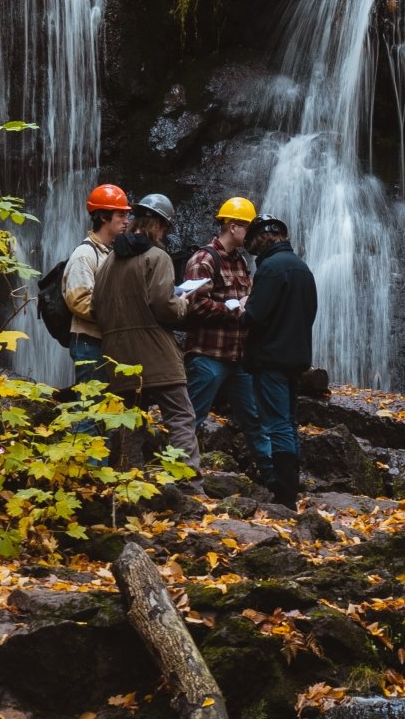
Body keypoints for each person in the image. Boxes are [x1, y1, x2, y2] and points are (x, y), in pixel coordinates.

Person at [91, 193, 202, 485]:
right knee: (179, 415)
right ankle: (188, 484)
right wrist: (184, 302)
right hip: (155, 352)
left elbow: (97, 307)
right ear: (160, 226)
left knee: (130, 421)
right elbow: (164, 307)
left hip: (117, 355)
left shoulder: (108, 261)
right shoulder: (157, 257)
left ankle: (129, 482)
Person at [240, 214, 317, 505]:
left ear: (261, 238)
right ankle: (291, 487)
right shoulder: (302, 268)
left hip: (271, 358)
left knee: (278, 425)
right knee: (289, 422)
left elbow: (254, 316)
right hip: (296, 358)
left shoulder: (271, 268)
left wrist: (244, 306)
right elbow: (309, 312)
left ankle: (285, 495)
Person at [182, 197, 259, 462]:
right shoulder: (203, 259)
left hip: (238, 358)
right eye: (248, 227)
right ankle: (174, 480)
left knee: (255, 420)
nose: (251, 234)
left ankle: (278, 483)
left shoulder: (241, 262)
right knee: (191, 419)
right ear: (233, 226)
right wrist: (234, 307)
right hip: (207, 356)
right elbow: (194, 305)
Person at [62, 184, 135, 387]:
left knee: (106, 409)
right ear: (104, 217)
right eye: (121, 215)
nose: (126, 221)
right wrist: (119, 312)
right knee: (90, 409)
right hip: (89, 342)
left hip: (107, 341)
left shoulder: (109, 252)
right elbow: (79, 302)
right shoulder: (85, 255)